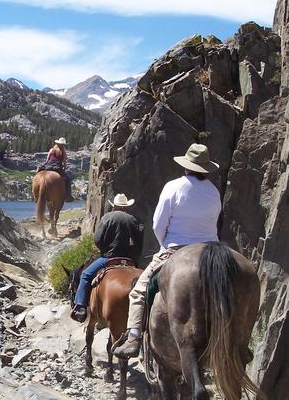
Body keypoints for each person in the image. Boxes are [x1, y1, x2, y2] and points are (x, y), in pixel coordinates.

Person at [113, 143, 221, 359]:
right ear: (206, 168)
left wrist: (166, 246)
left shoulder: (173, 187)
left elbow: (158, 224)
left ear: (186, 166)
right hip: (212, 250)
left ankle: (134, 336)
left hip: (176, 247)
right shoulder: (213, 190)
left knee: (139, 291)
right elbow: (215, 220)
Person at [71, 193, 144, 323]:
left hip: (109, 258)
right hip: (130, 260)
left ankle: (80, 307)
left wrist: (105, 251)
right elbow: (139, 242)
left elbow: (98, 239)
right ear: (126, 206)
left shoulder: (107, 217)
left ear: (114, 206)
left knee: (86, 275)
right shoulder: (135, 220)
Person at [45, 137, 73, 202]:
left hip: (48, 166)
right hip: (57, 167)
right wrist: (65, 167)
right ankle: (68, 196)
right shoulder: (63, 151)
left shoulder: (51, 150)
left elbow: (47, 159)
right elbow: (64, 162)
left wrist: (46, 165)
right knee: (68, 180)